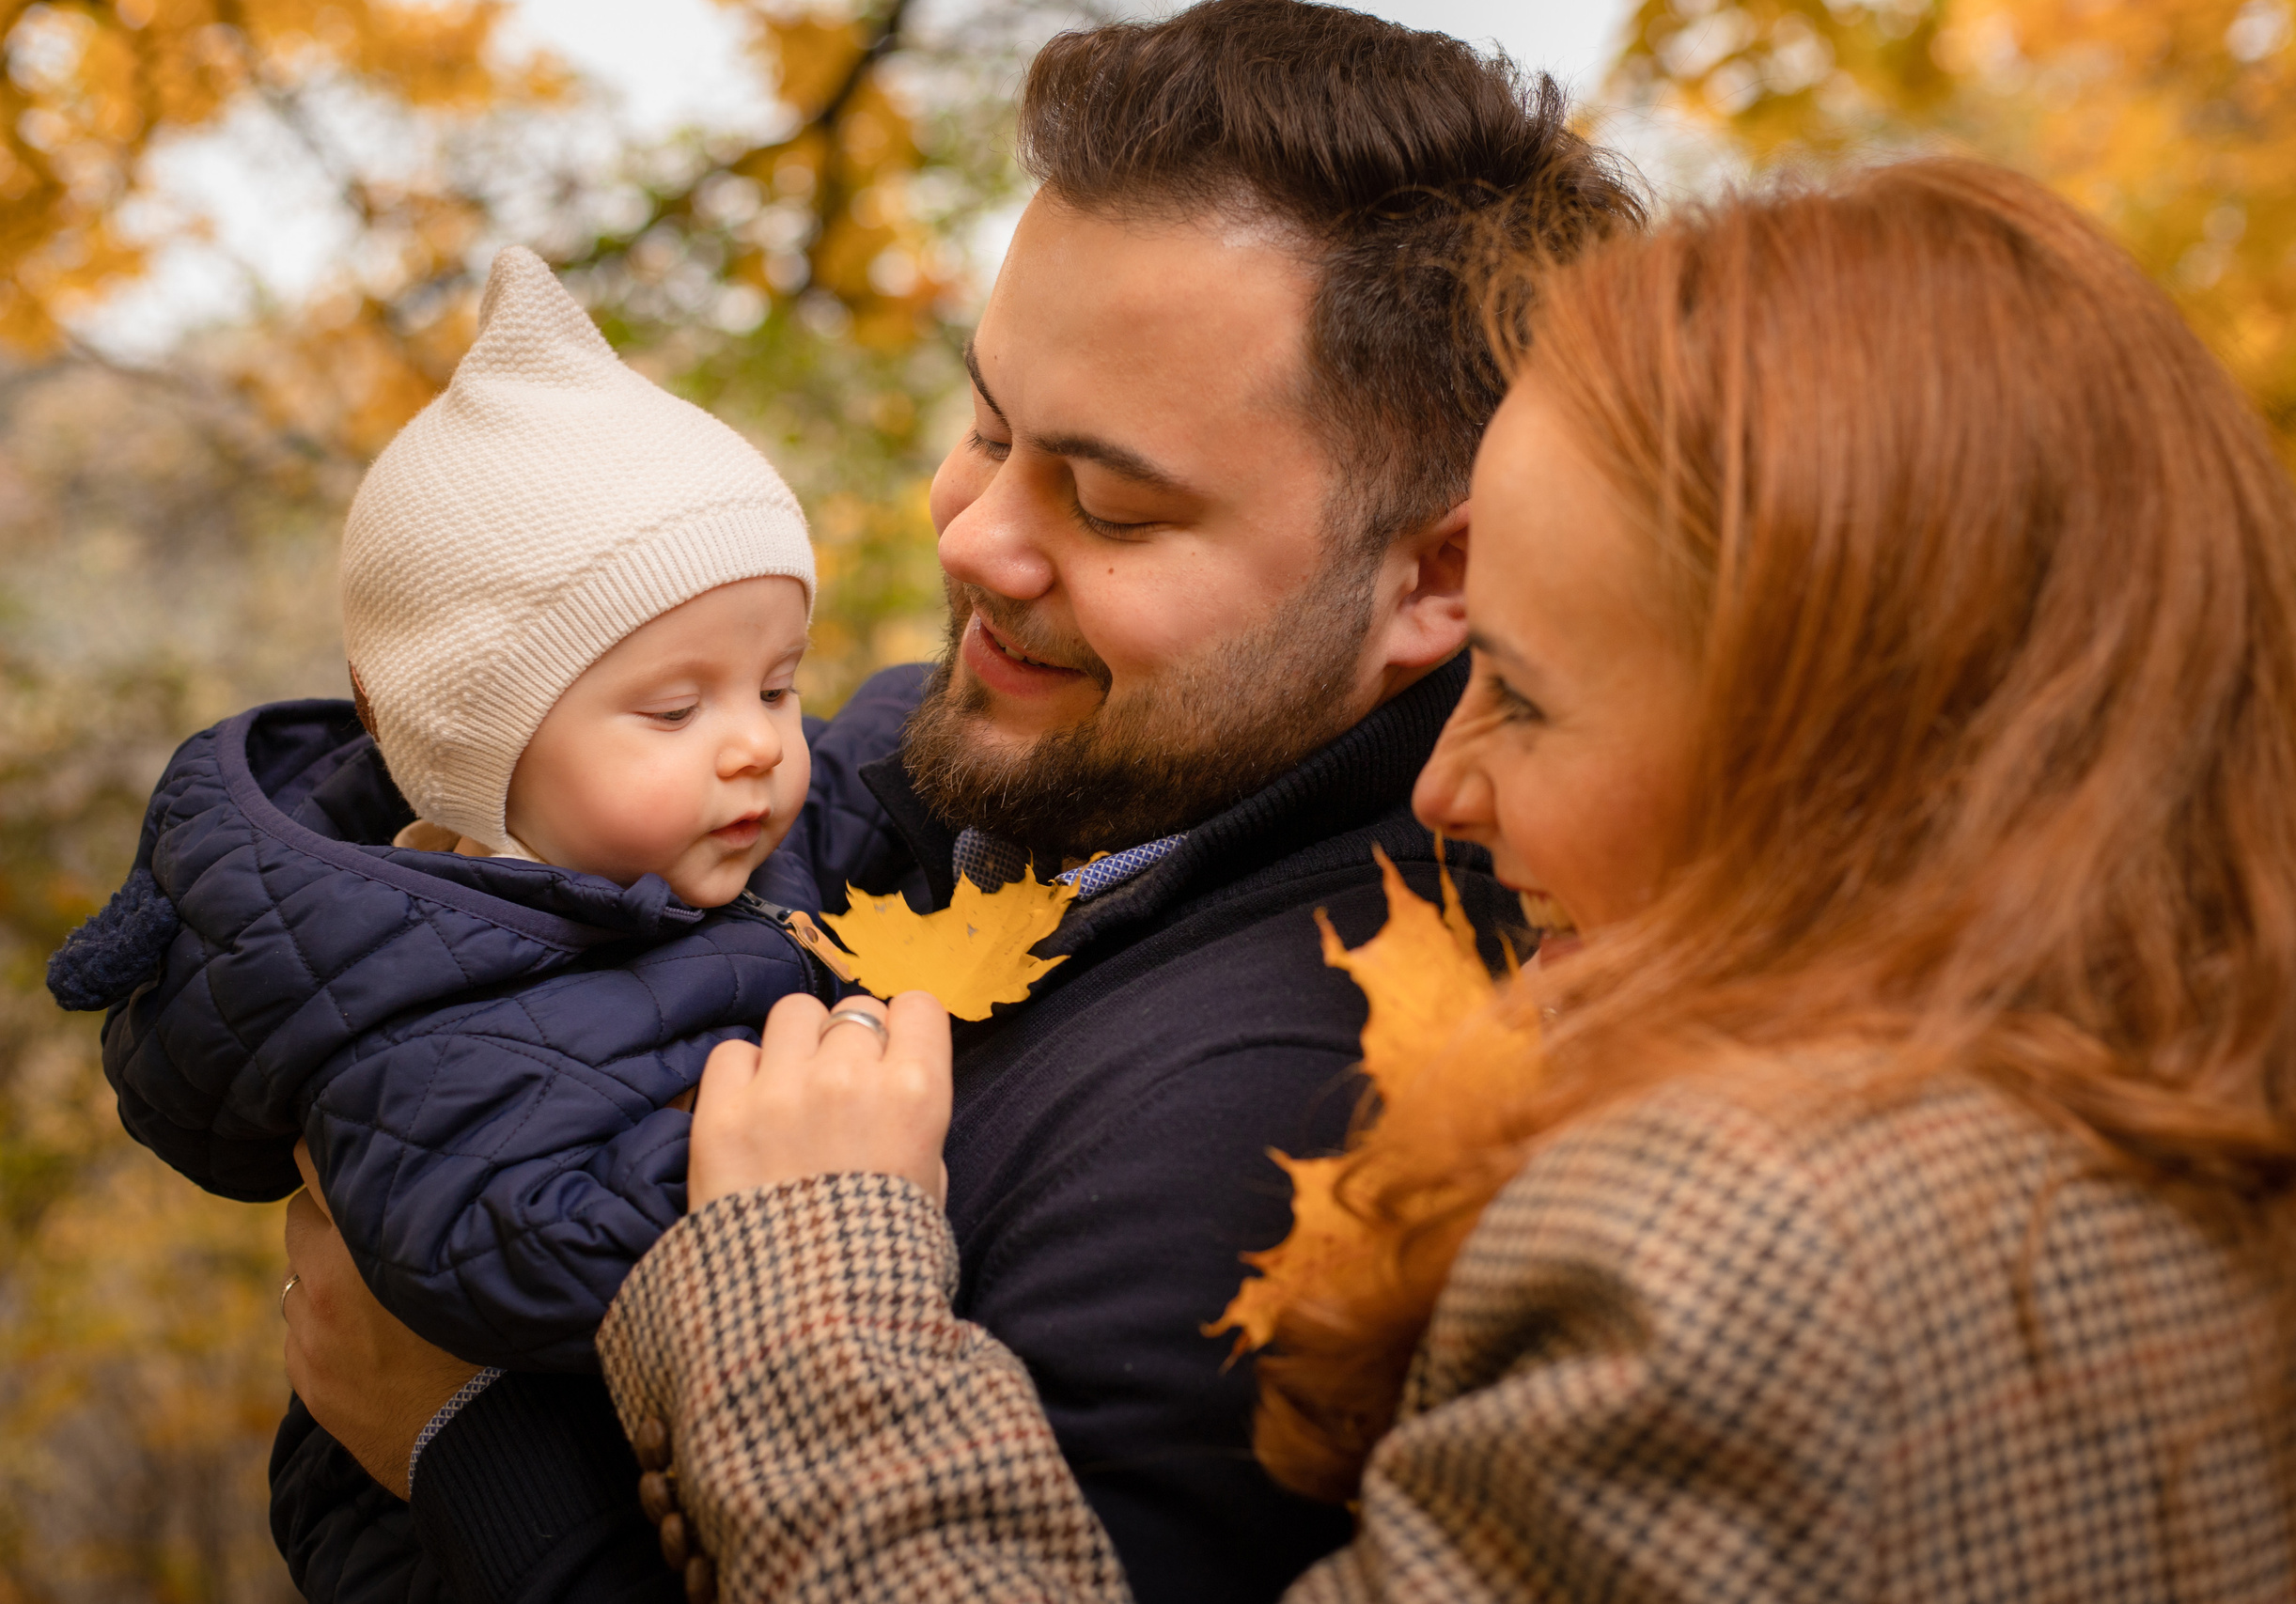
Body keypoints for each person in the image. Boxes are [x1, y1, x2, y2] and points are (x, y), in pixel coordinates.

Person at [591, 159, 2296, 1600]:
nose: (1448, 786)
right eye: (988, 428)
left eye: (1524, 695)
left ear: (1841, 747)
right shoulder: (2289, 1126)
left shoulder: (1738, 1251)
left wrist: (798, 1302)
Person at [273, 4, 1647, 1602]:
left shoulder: (1293, 1114)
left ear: (1438, 575)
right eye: (987, 425)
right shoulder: (997, 776)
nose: (975, 535)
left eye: (1113, 502)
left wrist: (464, 1445)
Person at [47, 246, 840, 1511]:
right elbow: (511, 1256)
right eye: (677, 705)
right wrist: (806, 1166)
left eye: (780, 684)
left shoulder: (729, 828)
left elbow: (893, 764)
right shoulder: (413, 1018)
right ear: (483, 755)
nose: (756, 741)